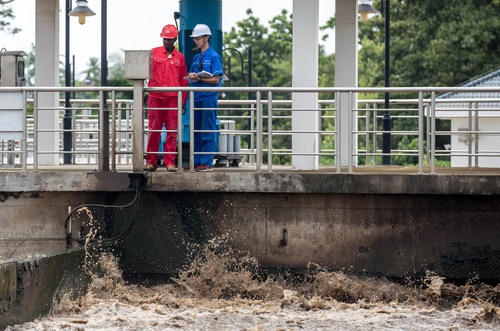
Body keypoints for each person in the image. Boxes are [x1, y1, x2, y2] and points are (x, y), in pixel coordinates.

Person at [144, 24, 188, 172]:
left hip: (172, 99)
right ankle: (151, 162)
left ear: (175, 39)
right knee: (154, 130)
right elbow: (145, 74)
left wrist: (182, 101)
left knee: (171, 131)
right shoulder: (153, 53)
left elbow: (183, 81)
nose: (167, 42)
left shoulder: (180, 58)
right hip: (155, 97)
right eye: (165, 39)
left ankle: (170, 162)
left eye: (169, 39)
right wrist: (145, 91)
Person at [187, 24, 224, 172]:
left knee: (207, 129)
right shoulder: (196, 58)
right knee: (195, 130)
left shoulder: (214, 56)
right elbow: (191, 76)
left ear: (206, 37)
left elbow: (216, 79)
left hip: (208, 98)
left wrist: (199, 79)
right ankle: (196, 160)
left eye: (198, 38)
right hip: (196, 98)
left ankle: (206, 162)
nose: (196, 41)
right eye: (195, 38)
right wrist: (192, 77)